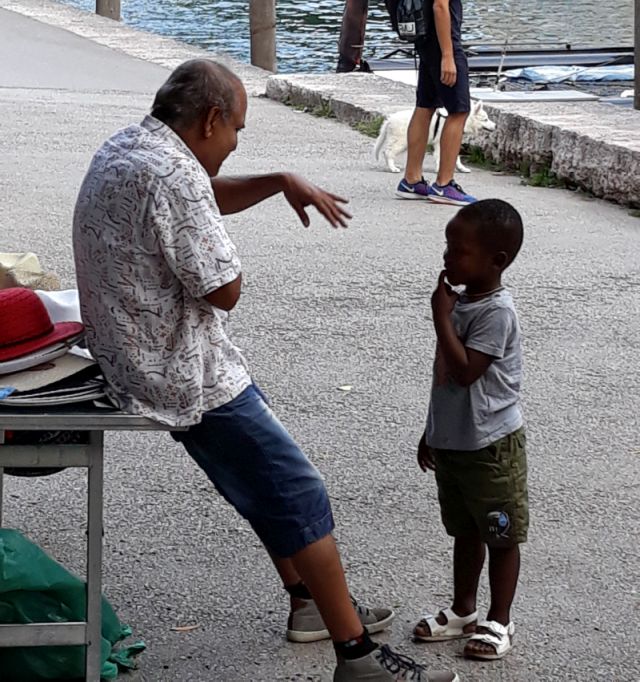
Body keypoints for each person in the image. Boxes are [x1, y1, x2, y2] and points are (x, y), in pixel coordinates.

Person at [72, 59, 459, 682]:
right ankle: (357, 657)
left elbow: (198, 194)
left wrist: (279, 179)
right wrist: (220, 231)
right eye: (237, 132)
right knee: (295, 487)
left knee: (262, 466)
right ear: (211, 118)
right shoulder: (174, 174)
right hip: (172, 366)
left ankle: (308, 600)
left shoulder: (132, 146)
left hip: (127, 346)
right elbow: (224, 288)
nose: (233, 146)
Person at [414, 199, 527, 660]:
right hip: (455, 443)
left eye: (458, 250)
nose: (447, 257)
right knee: (466, 530)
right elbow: (444, 383)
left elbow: (465, 373)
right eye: (447, 246)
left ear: (496, 261)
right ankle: (463, 609)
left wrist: (440, 315)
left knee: (500, 534)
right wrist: (431, 432)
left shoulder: (495, 312)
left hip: (491, 447)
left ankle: (499, 619)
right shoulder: (463, 303)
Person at [396, 0, 476, 206]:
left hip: (425, 38)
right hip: (443, 41)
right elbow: (440, 6)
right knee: (459, 111)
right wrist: (448, 55)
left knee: (426, 105)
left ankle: (411, 180)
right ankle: (444, 184)